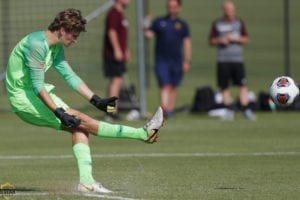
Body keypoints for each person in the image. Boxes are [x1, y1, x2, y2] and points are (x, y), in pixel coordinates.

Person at [5, 8, 164, 194]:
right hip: (23, 99)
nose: (75, 40)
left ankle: (86, 183)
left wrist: (96, 100)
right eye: (73, 35)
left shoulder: (54, 46)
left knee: (80, 127)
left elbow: (69, 75)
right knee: (82, 119)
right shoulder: (38, 45)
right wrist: (59, 112)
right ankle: (143, 134)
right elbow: (37, 86)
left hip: (33, 94)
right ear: (62, 30)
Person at [208, 0, 256, 120]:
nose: (229, 12)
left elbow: (246, 39)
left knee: (242, 84)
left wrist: (235, 38)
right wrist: (221, 40)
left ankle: (246, 110)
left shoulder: (239, 23)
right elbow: (211, 40)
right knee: (224, 86)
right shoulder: (217, 23)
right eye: (227, 9)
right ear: (223, 10)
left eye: (231, 9)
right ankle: (229, 110)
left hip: (237, 59)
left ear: (234, 10)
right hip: (223, 59)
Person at [144, 0, 192, 118]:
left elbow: (187, 43)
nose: (172, 9)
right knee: (164, 84)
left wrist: (187, 60)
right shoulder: (159, 22)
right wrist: (146, 22)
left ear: (179, 8)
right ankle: (164, 109)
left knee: (173, 85)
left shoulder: (182, 25)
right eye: (170, 7)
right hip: (162, 59)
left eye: (174, 7)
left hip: (177, 60)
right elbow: (148, 34)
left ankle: (170, 109)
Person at [102, 0, 131, 120]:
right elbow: (112, 32)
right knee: (116, 81)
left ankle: (112, 110)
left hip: (119, 52)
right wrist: (117, 50)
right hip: (112, 54)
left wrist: (126, 50)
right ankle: (111, 112)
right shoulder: (113, 13)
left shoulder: (120, 13)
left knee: (117, 81)